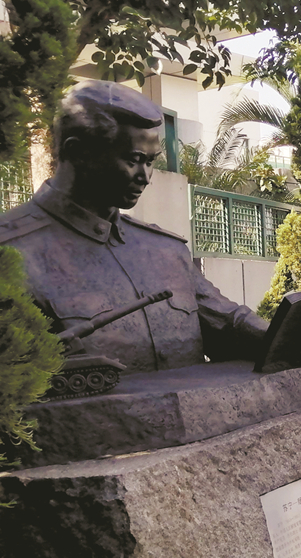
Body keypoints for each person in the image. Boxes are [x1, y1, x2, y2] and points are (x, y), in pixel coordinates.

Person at [0, 80, 285, 374]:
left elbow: (226, 323)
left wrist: (284, 339)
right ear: (77, 152)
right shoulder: (10, 254)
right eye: (134, 160)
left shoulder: (164, 250)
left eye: (150, 162)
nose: (146, 177)